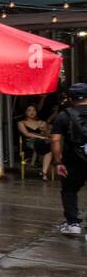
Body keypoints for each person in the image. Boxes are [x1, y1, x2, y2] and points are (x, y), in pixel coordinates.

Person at [50, 83, 87, 236]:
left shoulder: (64, 115)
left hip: (73, 160)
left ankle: (73, 224)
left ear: (71, 98)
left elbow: (55, 140)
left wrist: (58, 162)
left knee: (69, 190)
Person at [17, 104, 53, 180]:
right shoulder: (21, 123)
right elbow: (26, 134)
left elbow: (48, 135)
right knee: (48, 146)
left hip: (43, 143)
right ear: (25, 112)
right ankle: (57, 158)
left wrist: (44, 129)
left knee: (49, 150)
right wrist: (41, 137)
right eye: (29, 110)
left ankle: (44, 174)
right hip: (29, 143)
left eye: (34, 110)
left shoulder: (41, 122)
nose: (32, 112)